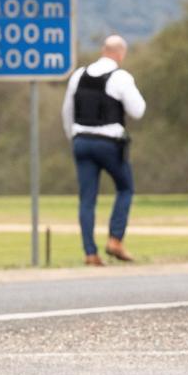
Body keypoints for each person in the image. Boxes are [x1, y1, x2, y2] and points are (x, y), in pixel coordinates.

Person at [62, 35, 147, 266]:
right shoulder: (121, 77)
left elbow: (67, 111)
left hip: (81, 141)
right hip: (109, 144)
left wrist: (73, 137)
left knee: (87, 199)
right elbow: (138, 110)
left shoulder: (78, 75)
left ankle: (90, 253)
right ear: (121, 53)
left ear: (103, 50)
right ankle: (115, 239)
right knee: (125, 188)